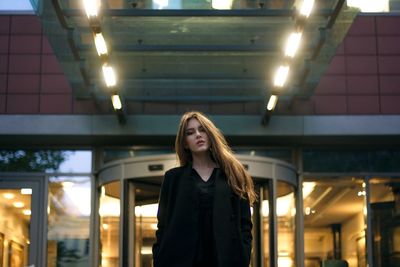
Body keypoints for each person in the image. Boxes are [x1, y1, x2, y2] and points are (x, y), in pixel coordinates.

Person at [152, 111, 257, 267]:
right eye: (190, 132)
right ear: (185, 143)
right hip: (181, 261)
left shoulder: (233, 174)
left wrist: (242, 257)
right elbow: (163, 225)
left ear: (210, 135)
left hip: (224, 260)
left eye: (202, 130)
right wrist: (160, 258)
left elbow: (245, 225)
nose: (198, 135)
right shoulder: (173, 178)